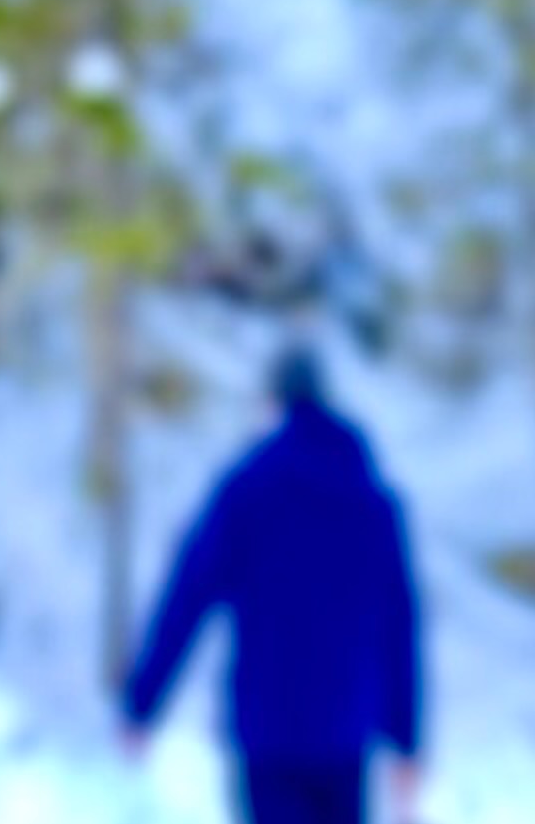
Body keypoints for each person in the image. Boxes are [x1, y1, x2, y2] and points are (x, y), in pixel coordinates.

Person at [120, 345, 425, 824]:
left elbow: (187, 597)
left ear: (272, 403)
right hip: (345, 733)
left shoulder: (245, 491)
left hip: (267, 733)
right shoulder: (371, 501)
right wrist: (407, 742)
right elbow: (399, 628)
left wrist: (143, 703)